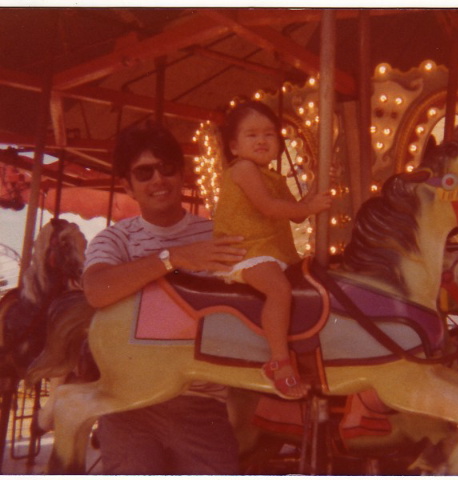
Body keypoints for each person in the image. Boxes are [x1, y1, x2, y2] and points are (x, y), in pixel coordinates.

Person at [82, 121, 246, 474]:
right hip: (128, 405)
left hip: (200, 403)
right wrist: (174, 258)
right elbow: (96, 290)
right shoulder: (115, 240)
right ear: (128, 185)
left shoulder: (218, 235)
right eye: (144, 173)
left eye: (167, 167)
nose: (158, 179)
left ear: (182, 173)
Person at [215, 101, 332, 400]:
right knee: (279, 290)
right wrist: (307, 206)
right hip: (246, 250)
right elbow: (269, 207)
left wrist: (313, 195)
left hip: (271, 249)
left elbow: (295, 214)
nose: (262, 140)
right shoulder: (242, 169)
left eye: (269, 134)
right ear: (234, 146)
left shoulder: (274, 177)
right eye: (252, 135)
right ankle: (279, 363)